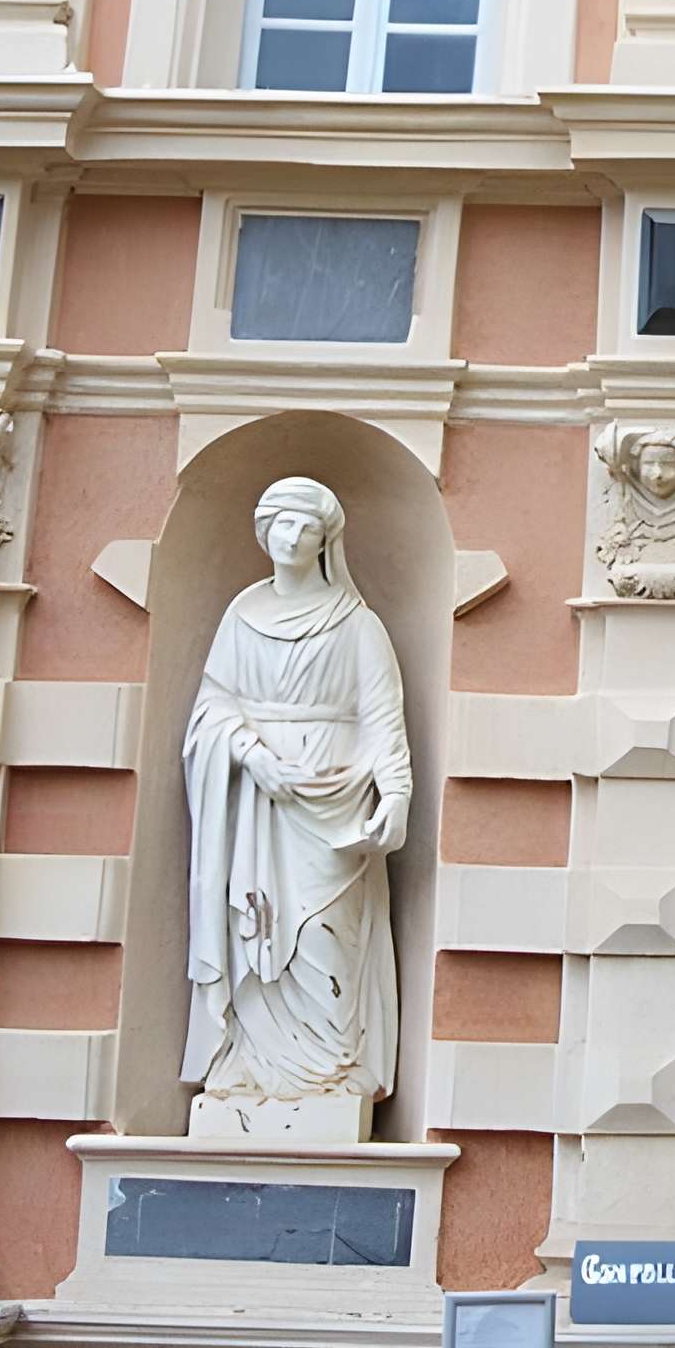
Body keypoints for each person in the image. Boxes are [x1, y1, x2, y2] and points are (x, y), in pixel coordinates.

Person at [183, 477, 413, 1116]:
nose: (290, 536)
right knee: (255, 932)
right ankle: (251, 1068)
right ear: (263, 533)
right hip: (259, 803)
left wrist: (394, 793)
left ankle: (331, 1075)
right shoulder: (241, 615)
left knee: (323, 935)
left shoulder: (356, 624)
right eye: (279, 524)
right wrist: (255, 758)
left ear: (324, 540)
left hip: (333, 803)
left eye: (304, 527)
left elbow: (382, 719)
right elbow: (213, 708)